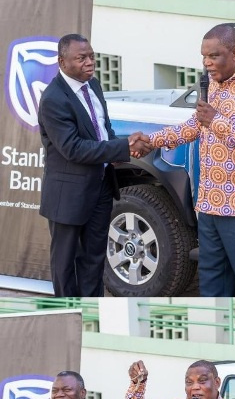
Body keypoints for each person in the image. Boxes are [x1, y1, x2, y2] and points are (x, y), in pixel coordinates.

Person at [148, 23, 235, 296]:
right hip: (210, 203)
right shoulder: (214, 83)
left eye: (213, 56)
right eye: (203, 56)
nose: (207, 63)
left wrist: (217, 121)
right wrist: (151, 141)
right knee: (212, 287)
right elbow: (197, 125)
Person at [38, 33, 152, 297]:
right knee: (65, 265)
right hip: (68, 196)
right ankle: (67, 315)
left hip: (100, 188)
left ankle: (91, 311)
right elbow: (73, 148)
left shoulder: (94, 85)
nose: (90, 62)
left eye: (92, 56)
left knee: (94, 259)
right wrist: (124, 146)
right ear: (62, 62)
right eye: (82, 58)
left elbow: (103, 130)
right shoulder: (54, 99)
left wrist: (121, 148)